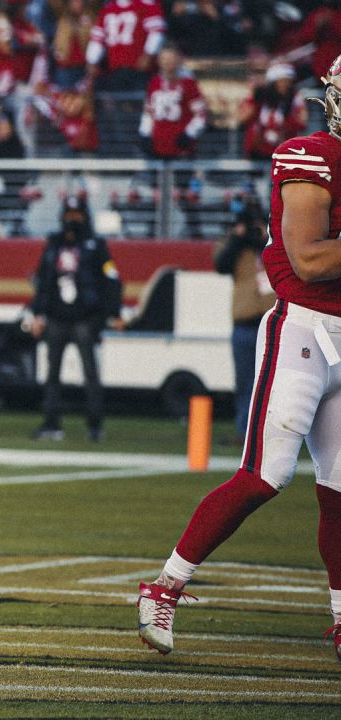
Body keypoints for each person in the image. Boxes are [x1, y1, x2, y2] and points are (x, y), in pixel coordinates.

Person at [138, 54, 341, 661]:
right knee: (264, 476)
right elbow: (308, 261)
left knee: (339, 491)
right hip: (303, 329)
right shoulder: (312, 154)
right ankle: (164, 588)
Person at [28, 197, 123, 442]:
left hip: (84, 318)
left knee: (90, 373)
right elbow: (43, 281)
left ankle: (94, 425)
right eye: (69, 214)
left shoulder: (95, 245)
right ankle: (51, 423)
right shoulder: (53, 244)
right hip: (57, 317)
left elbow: (111, 280)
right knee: (52, 374)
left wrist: (113, 313)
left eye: (77, 214)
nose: (73, 220)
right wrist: (38, 313)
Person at [213, 198, 274, 440]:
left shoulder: (271, 238)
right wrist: (238, 238)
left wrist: (262, 234)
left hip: (270, 321)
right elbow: (220, 264)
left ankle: (274, 435)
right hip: (245, 321)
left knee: (274, 382)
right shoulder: (234, 242)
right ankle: (245, 432)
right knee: (245, 382)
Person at [138, 44, 207, 159]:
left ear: (179, 60)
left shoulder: (188, 83)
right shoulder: (154, 82)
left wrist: (188, 134)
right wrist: (145, 134)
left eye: (171, 59)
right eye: (163, 59)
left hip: (181, 148)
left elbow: (201, 115)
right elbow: (148, 112)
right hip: (157, 147)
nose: (166, 63)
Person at [86, 0, 166, 91]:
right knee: (117, 99)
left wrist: (149, 54)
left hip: (139, 69)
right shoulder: (108, 8)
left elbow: (157, 32)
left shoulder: (146, 5)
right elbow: (97, 39)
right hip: (114, 69)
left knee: (139, 99)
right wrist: (92, 61)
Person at [240, 63, 307, 161]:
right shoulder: (260, 99)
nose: (285, 85)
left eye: (288, 81)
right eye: (281, 81)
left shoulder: (295, 98)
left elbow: (303, 121)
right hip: (259, 149)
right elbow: (242, 118)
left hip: (284, 149)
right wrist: (255, 100)